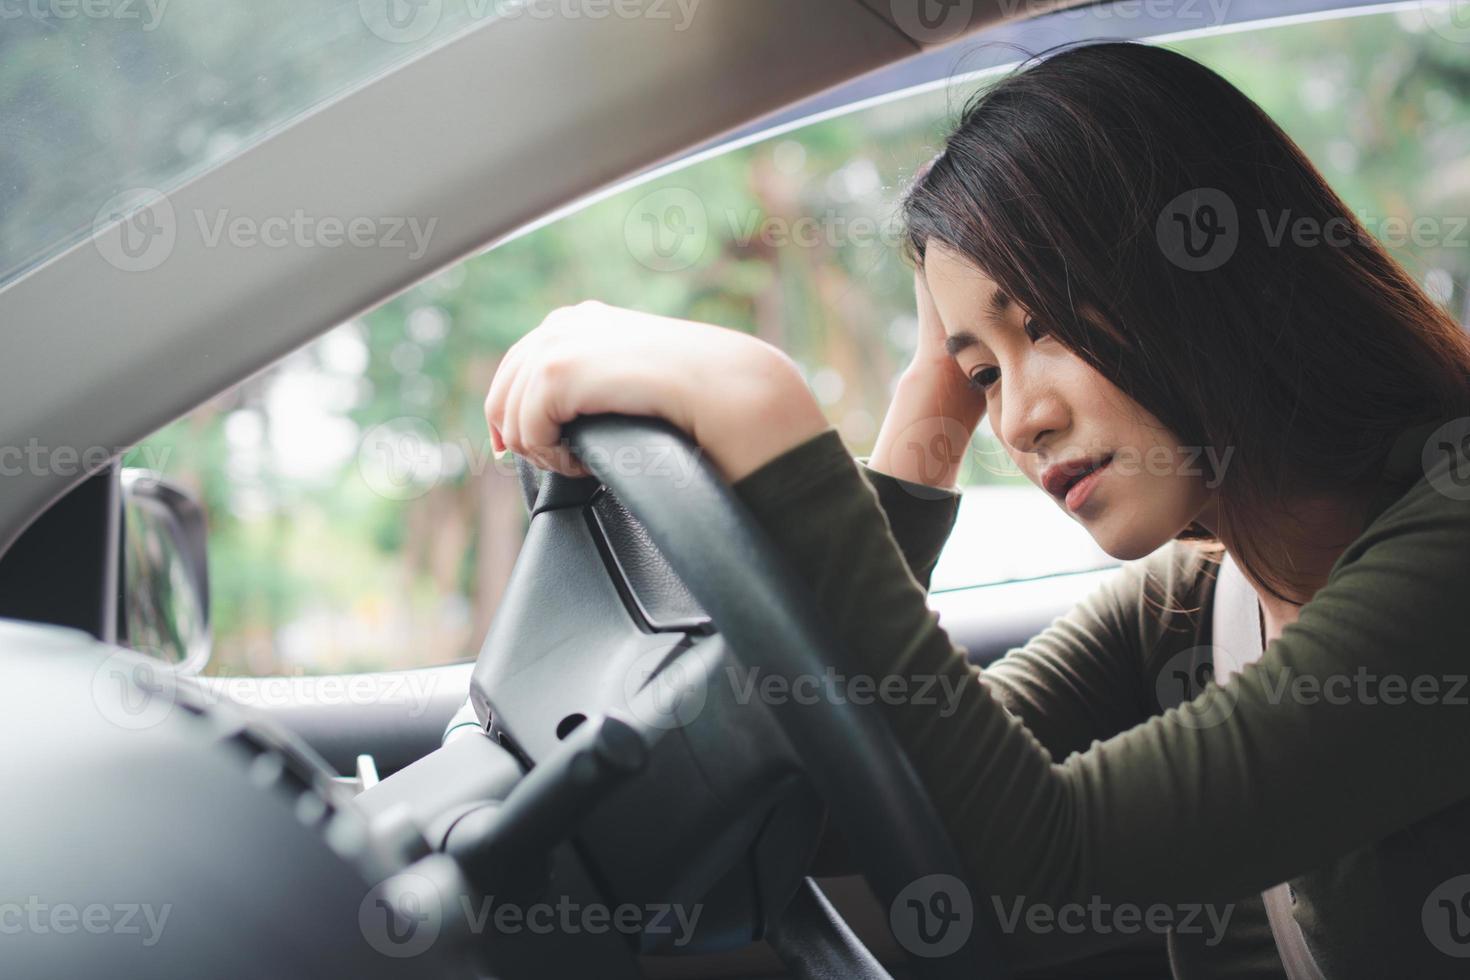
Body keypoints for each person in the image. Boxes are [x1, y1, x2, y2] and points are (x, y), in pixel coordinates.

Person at [482, 41, 1470, 979]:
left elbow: (1037, 877)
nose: (1021, 418)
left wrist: (764, 415)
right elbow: (845, 793)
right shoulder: (1197, 609)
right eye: (983, 373)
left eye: (1042, 321)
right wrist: (927, 407)